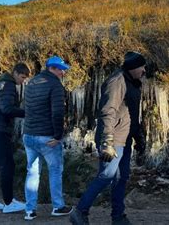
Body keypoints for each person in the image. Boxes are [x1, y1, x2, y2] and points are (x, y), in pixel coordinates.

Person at [70, 51, 147, 225]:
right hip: (113, 138)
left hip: (125, 138)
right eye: (141, 66)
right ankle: (80, 212)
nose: (144, 70)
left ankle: (118, 216)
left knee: (121, 178)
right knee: (107, 175)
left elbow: (133, 114)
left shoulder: (134, 83)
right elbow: (107, 111)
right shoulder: (116, 82)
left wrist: (138, 136)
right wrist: (107, 141)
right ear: (133, 67)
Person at [22, 56, 73, 220]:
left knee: (32, 172)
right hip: (47, 137)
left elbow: (28, 108)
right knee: (55, 170)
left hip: (29, 134)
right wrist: (58, 135)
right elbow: (57, 113)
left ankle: (30, 210)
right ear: (52, 68)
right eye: (60, 69)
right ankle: (58, 206)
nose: (63, 72)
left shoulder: (32, 82)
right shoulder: (55, 85)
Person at [0, 63, 30, 213]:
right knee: (8, 164)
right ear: (15, 73)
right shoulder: (8, 85)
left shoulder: (1, 83)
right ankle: (9, 203)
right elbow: (7, 109)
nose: (23, 81)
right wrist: (27, 113)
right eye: (22, 77)